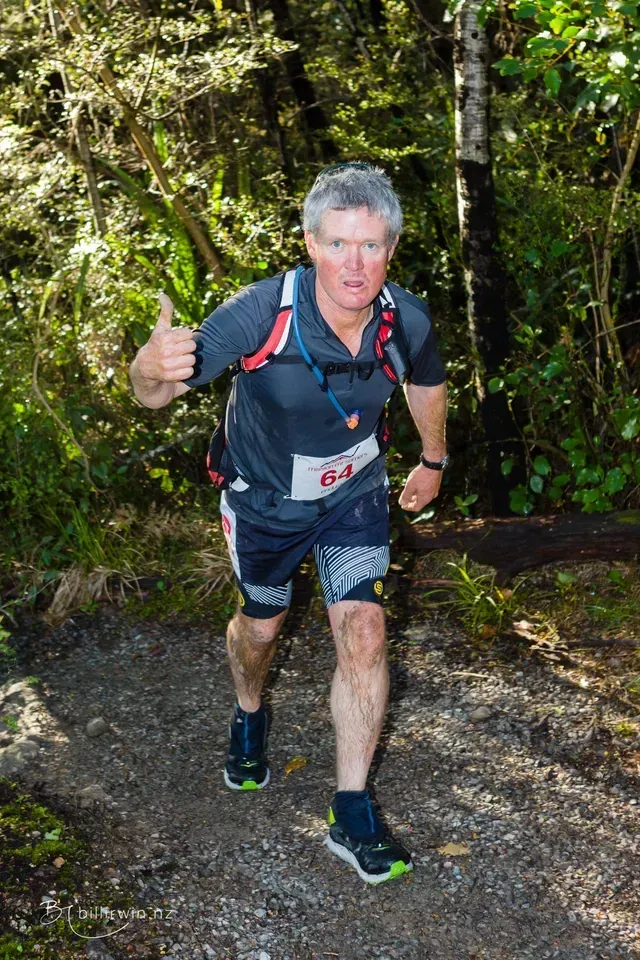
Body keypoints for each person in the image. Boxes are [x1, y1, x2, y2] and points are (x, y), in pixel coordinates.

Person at [129, 163, 448, 885]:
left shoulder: (406, 318)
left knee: (364, 628)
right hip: (264, 505)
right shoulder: (258, 314)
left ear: (391, 248)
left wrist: (433, 458)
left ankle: (351, 809)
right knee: (261, 628)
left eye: (370, 245)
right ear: (309, 243)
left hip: (354, 495)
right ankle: (249, 710)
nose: (354, 265)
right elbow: (155, 393)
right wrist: (149, 367)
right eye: (337, 244)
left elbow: (426, 381)